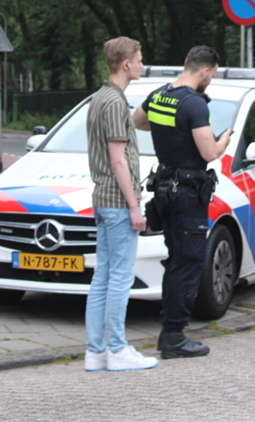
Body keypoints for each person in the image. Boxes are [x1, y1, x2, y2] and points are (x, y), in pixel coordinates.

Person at [132, 45, 233, 359]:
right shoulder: (193, 104)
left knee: (176, 260)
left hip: (163, 187)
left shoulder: (159, 95)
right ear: (204, 70)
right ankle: (174, 336)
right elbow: (209, 153)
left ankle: (170, 332)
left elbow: (138, 121)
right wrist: (225, 139)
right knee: (187, 263)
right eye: (211, 76)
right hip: (187, 192)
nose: (210, 82)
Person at [83, 37, 158, 372]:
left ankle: (95, 351)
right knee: (119, 277)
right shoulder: (114, 102)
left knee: (102, 276)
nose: (142, 64)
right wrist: (134, 206)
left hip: (102, 199)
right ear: (125, 64)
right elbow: (118, 160)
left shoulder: (99, 98)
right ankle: (117, 348)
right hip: (115, 201)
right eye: (139, 59)